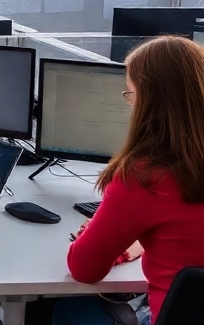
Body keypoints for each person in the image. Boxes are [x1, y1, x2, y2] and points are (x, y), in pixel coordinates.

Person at [57, 36, 204, 325]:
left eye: (131, 94)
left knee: (63, 307)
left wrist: (104, 238)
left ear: (149, 103)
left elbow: (84, 268)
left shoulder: (144, 177)